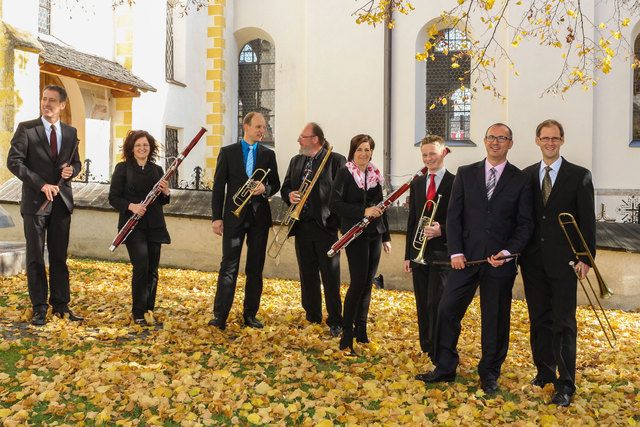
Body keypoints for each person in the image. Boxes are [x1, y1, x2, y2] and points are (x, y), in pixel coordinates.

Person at [415, 123, 534, 395]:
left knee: (495, 319)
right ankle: (445, 367)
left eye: (502, 138)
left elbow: (525, 224)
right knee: (446, 310)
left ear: (510, 144)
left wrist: (508, 253)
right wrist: (456, 251)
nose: (496, 142)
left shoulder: (521, 179)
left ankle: (489, 373)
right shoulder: (466, 173)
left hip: (499, 263)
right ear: (484, 140)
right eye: (491, 137)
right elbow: (454, 216)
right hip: (464, 260)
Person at [520, 119, 595, 407]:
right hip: (532, 262)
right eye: (545, 138)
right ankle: (544, 373)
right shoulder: (526, 175)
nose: (550, 143)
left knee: (564, 322)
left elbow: (587, 220)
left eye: (555, 138)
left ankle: (566, 384)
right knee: (539, 320)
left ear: (562, 140)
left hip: (565, 262)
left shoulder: (579, 175)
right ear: (537, 141)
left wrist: (585, 258)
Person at [6, 85, 83, 326]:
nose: (46, 104)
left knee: (59, 257)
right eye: (44, 99)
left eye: (52, 100)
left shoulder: (70, 132)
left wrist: (72, 171)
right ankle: (39, 307)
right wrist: (41, 185)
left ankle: (61, 306)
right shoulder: (26, 129)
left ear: (62, 105)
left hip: (61, 202)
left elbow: (77, 163)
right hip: (35, 203)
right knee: (36, 257)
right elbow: (14, 162)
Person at [209, 112, 280, 330]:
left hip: (259, 218)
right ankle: (220, 316)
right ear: (246, 126)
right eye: (258, 126)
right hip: (233, 217)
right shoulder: (227, 152)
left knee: (255, 268)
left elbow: (276, 184)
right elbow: (218, 187)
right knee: (228, 267)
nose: (262, 131)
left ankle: (250, 315)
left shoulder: (268, 154)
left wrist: (265, 188)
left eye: (264, 127)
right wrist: (217, 218)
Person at [280, 123, 346, 337]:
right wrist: (289, 194)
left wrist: (335, 222)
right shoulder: (296, 161)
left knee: (330, 276)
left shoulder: (335, 160)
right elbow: (285, 186)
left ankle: (335, 320)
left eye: (302, 136)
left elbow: (343, 193)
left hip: (326, 228)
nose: (298, 140)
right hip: (302, 226)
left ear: (315, 139)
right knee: (307, 275)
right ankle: (313, 316)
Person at [329, 134, 391, 355]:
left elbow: (382, 206)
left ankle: (361, 331)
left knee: (367, 284)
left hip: (375, 234)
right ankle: (346, 337)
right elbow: (334, 204)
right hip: (355, 235)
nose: (364, 153)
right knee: (357, 284)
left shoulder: (374, 173)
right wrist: (363, 211)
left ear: (371, 152)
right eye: (359, 149)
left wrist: (386, 236)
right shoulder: (345, 173)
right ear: (353, 151)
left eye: (367, 149)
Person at [108, 130, 171, 326]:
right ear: (131, 148)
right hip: (133, 226)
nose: (142, 148)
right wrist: (132, 206)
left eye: (145, 145)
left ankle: (148, 310)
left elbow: (162, 201)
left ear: (150, 148)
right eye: (138, 145)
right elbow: (113, 198)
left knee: (152, 270)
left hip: (155, 225)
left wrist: (167, 192)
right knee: (141, 266)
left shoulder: (157, 170)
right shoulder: (123, 168)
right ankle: (138, 311)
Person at [403, 135, 454, 360]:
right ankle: (426, 346)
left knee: (437, 302)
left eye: (432, 153)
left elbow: (462, 219)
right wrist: (408, 255)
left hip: (442, 253)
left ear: (443, 153)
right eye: (424, 155)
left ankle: (438, 348)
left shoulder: (455, 182)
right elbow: (413, 220)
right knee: (422, 302)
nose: (428, 158)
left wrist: (442, 229)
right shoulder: (417, 183)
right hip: (419, 253)